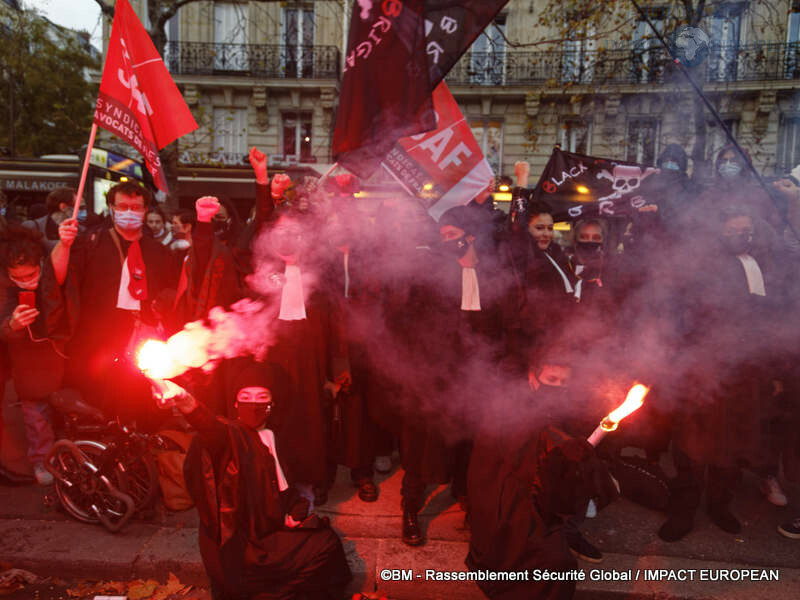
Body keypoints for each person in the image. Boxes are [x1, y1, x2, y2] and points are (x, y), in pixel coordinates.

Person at [156, 361, 352, 600]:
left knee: (326, 542)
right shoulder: (229, 435)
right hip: (241, 546)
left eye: (261, 397)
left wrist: (296, 509)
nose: (254, 403)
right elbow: (209, 427)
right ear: (235, 404)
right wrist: (186, 401)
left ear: (272, 404)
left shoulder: (273, 436)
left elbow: (282, 487)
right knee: (324, 548)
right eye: (246, 397)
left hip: (269, 532)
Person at [660, 205, 789, 541]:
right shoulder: (701, 266)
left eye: (746, 231)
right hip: (700, 369)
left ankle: (719, 505)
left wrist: (771, 370)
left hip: (743, 373)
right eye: (733, 231)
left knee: (731, 443)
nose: (741, 237)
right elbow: (681, 316)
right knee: (690, 443)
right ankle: (684, 509)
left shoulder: (760, 265)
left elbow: (768, 323)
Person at [51, 181, 179, 429]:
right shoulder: (90, 243)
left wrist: (162, 301)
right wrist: (63, 245)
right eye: (123, 206)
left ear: (145, 210)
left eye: (136, 207)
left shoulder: (159, 252)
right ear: (111, 208)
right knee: (98, 410)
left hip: (143, 345)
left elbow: (174, 290)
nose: (129, 211)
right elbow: (57, 279)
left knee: (143, 410)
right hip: (95, 344)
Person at [0, 226, 68, 485]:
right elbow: (2, 325)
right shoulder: (6, 288)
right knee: (35, 415)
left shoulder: (54, 271)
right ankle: (42, 461)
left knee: (62, 410)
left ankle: (65, 458)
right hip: (26, 359)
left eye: (30, 274)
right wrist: (12, 325)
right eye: (17, 277)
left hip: (57, 353)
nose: (25, 280)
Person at [22, 187, 87, 251]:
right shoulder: (31, 228)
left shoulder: (82, 231)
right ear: (63, 207)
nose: (84, 211)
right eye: (81, 207)